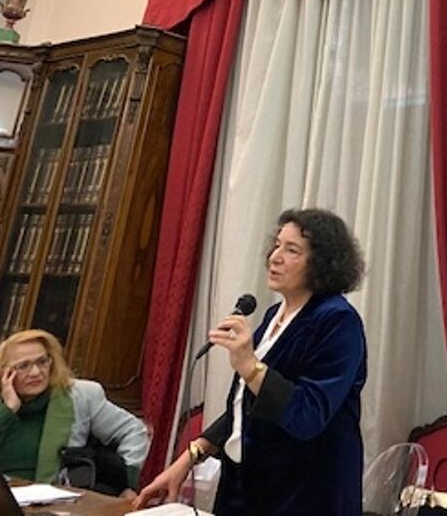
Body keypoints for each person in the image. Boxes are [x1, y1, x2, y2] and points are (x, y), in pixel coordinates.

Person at [134, 208, 367, 515]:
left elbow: (308, 414)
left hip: (303, 495)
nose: (275, 257)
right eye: (277, 245)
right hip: (246, 486)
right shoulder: (273, 315)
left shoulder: (338, 321)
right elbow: (245, 406)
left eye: (292, 250)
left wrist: (248, 364)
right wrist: (191, 455)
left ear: (322, 262)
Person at [0, 328, 149, 497]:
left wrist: (127, 484)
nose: (36, 372)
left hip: (53, 500)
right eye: (23, 366)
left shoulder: (81, 396)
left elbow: (134, 431)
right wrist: (7, 411)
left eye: (42, 361)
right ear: (4, 372)